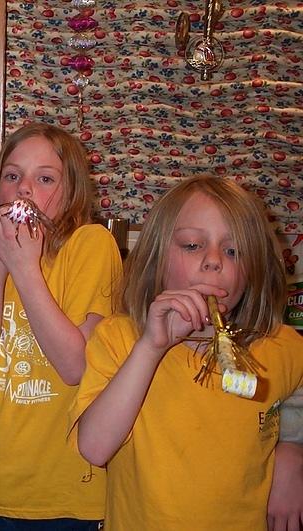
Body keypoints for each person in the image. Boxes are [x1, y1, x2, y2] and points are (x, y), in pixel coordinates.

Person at [72, 175, 303, 530]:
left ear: (253, 269)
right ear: (156, 259)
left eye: (233, 251)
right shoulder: (120, 339)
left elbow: (294, 396)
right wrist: (150, 348)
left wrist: (292, 452)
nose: (213, 261)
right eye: (193, 245)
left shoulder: (281, 346)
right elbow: (94, 448)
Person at [0, 122, 122, 530]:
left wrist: (25, 268)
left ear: (72, 192)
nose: (24, 189)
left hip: (63, 494)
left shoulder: (91, 244)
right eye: (13, 176)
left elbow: (75, 367)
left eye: (44, 178)